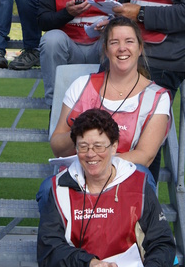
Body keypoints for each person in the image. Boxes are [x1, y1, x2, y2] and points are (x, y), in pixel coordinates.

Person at [28, 108, 176, 267]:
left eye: (99, 146)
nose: (90, 154)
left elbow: (163, 245)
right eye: (83, 146)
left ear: (114, 146)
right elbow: (49, 249)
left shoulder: (137, 186)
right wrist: (90, 262)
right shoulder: (58, 188)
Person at [50, 16, 171, 185]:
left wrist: (100, 165)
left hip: (124, 176)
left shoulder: (157, 97)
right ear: (106, 50)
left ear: (140, 48)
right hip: (81, 173)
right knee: (46, 189)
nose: (122, 48)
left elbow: (145, 156)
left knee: (143, 176)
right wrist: (82, 131)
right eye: (114, 42)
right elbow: (57, 147)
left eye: (129, 41)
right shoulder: (81, 85)